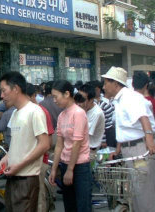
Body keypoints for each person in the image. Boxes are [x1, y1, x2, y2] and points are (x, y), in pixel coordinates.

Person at [102, 67, 155, 212]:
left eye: (106, 82)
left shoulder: (129, 98)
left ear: (116, 84)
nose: (104, 86)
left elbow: (143, 118)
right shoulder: (120, 99)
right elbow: (124, 127)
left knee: (144, 191)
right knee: (136, 191)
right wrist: (118, 149)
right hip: (130, 148)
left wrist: (149, 140)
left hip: (138, 148)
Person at [0, 72, 50, 212]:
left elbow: (44, 144)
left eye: (4, 90)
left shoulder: (34, 111)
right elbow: (17, 144)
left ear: (16, 89)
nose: (2, 96)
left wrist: (19, 166)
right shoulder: (15, 113)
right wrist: (6, 158)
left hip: (27, 178)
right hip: (13, 176)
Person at [49, 80, 91, 212]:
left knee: (82, 206)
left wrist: (70, 170)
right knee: (70, 205)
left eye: (56, 97)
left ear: (67, 94)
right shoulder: (62, 115)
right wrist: (54, 169)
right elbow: (59, 145)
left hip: (80, 166)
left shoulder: (78, 113)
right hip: (66, 163)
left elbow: (76, 143)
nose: (54, 100)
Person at [25, 83, 55, 212]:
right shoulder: (22, 111)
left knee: (38, 197)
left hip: (38, 161)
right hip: (26, 162)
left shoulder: (40, 111)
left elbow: (47, 141)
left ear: (33, 96)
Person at [77, 84, 105, 151]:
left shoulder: (96, 113)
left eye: (82, 99)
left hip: (91, 149)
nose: (79, 102)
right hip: (82, 147)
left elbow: (82, 133)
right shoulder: (82, 109)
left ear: (91, 100)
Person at [88, 80, 116, 148]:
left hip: (103, 140)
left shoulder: (104, 104)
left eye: (96, 89)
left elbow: (108, 126)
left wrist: (104, 141)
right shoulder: (89, 103)